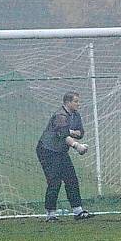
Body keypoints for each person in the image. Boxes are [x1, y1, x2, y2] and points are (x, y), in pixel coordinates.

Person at [36, 91, 93, 221]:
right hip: (47, 151)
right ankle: (51, 214)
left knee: (71, 179)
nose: (78, 104)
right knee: (54, 181)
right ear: (68, 102)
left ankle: (78, 211)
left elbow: (80, 133)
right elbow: (64, 136)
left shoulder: (76, 115)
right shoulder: (60, 116)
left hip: (61, 151)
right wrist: (77, 146)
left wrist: (71, 133)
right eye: (76, 101)